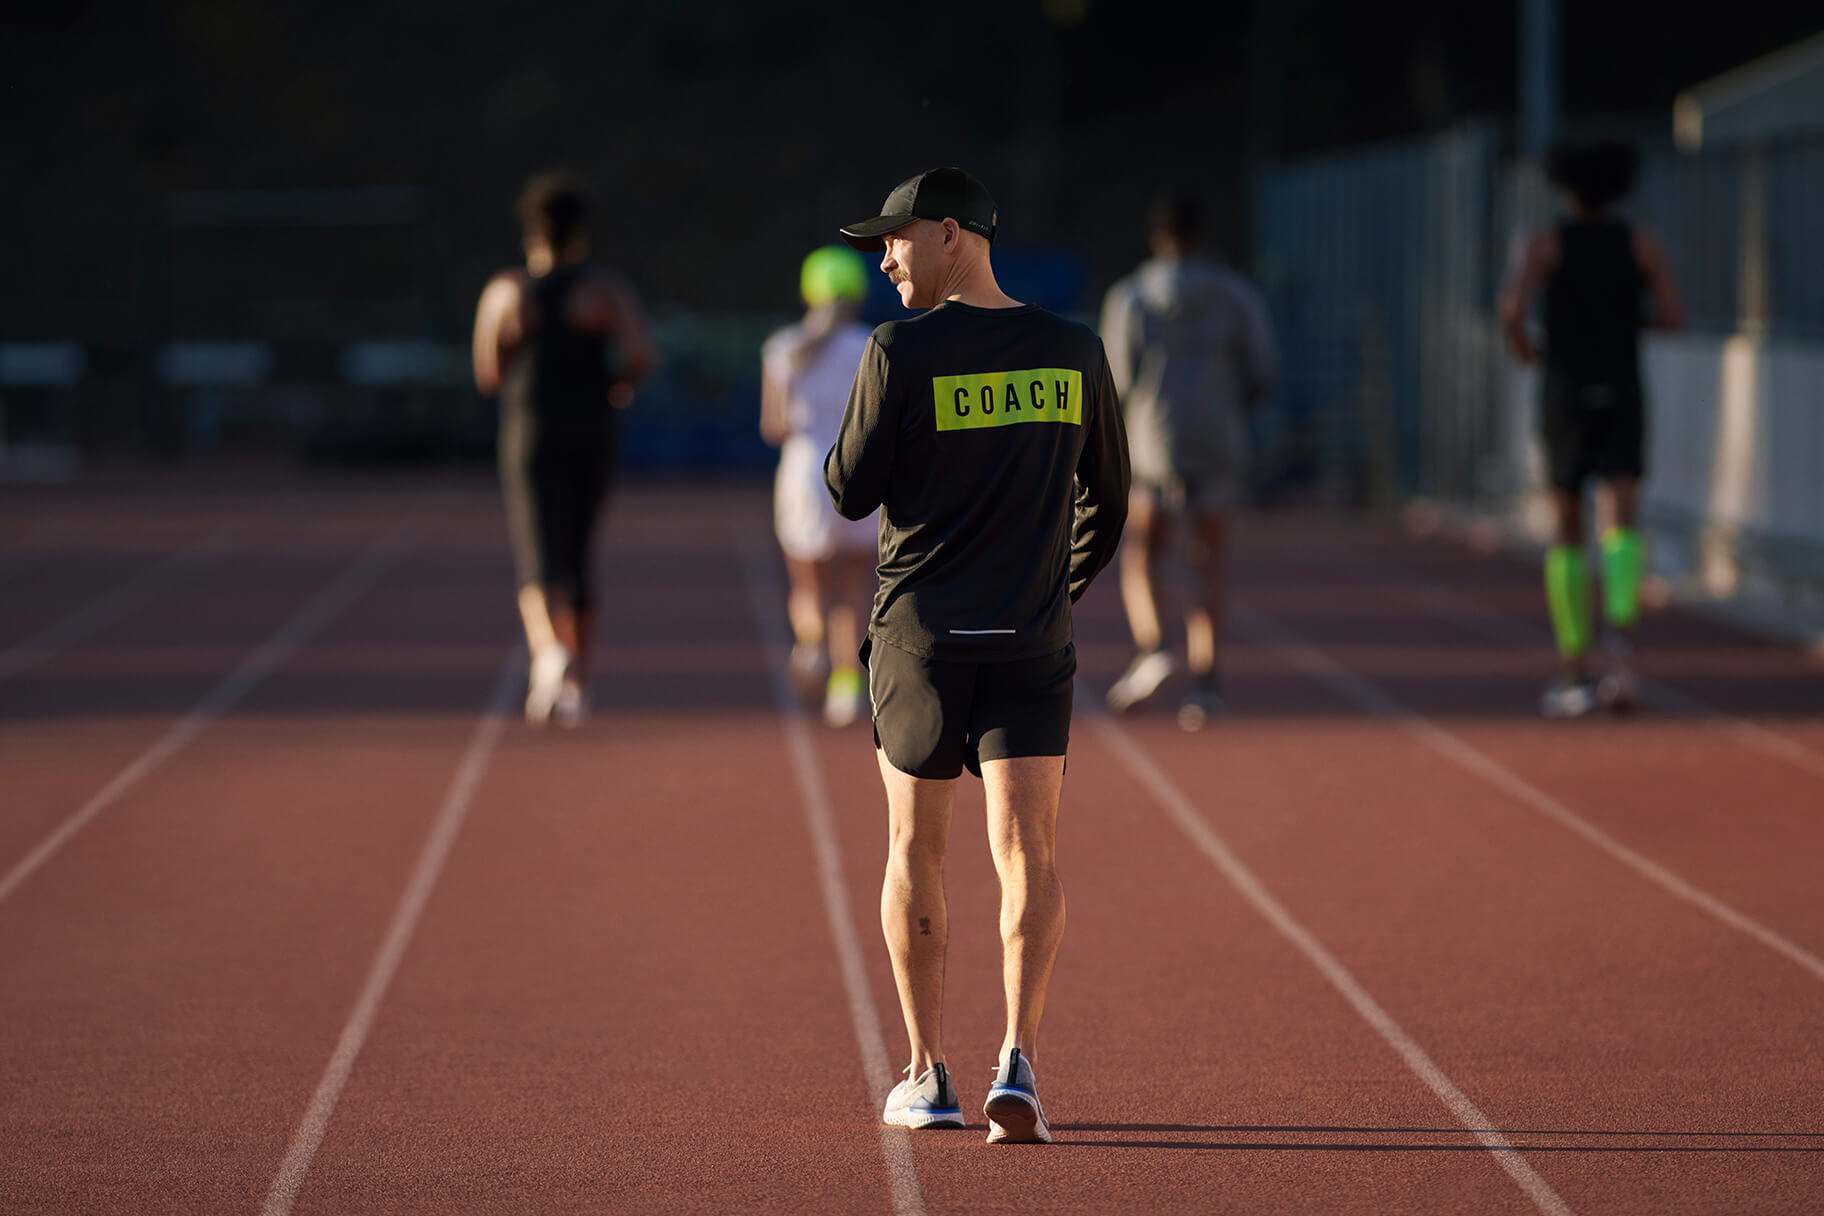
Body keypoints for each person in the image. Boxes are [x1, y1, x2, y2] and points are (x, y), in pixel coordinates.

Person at [827, 167, 1129, 1144]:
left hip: (919, 641)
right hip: (1030, 643)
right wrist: (1055, 593)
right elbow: (1110, 499)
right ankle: (1021, 1062)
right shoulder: (1073, 351)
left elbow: (845, 489)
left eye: (896, 239)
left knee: (917, 849)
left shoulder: (900, 352)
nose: (883, 258)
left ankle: (926, 1073)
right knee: (1027, 850)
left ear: (952, 234)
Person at [1498, 141, 1684, 718]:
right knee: (1622, 519)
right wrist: (1628, 320)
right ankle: (1622, 654)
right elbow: (1675, 317)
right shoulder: (1641, 245)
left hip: (1565, 393)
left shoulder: (1544, 244)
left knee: (1566, 525)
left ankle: (1574, 668)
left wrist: (1529, 350)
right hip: (1621, 389)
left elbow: (1510, 310)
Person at [472, 171, 655, 726]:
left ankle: (549, 650)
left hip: (529, 428)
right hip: (593, 427)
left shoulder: (507, 290)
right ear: (581, 233)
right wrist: (616, 387)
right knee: (578, 552)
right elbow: (640, 355)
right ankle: (576, 684)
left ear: (531, 232)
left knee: (535, 547)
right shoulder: (602, 291)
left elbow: (486, 372)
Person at [1099, 194, 1276, 729]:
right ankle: (1207, 683)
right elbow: (1263, 369)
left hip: (1154, 445)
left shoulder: (1131, 296)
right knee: (1209, 559)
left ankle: (1154, 646)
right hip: (1218, 442)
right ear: (1204, 237)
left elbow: (1117, 378)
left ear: (1157, 237)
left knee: (1141, 552)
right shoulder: (1236, 294)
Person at [761, 247, 878, 727]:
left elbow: (774, 426)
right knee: (854, 584)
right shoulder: (872, 344)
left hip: (805, 473)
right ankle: (847, 685)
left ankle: (810, 648)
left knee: (807, 580)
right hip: (858, 471)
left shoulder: (783, 347)